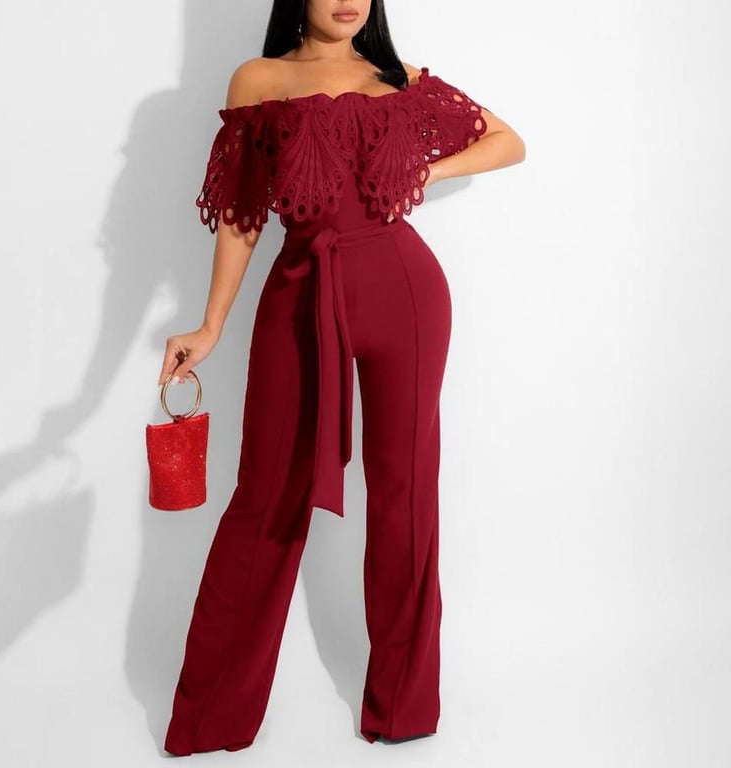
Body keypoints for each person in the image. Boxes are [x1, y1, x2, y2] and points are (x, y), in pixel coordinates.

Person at [158, 0, 525, 755]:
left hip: (405, 289)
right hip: (300, 289)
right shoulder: (260, 79)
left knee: (405, 496)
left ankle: (404, 709)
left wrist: (426, 167)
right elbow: (242, 209)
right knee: (265, 496)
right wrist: (211, 324)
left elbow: (507, 141)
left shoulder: (397, 78)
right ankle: (212, 717)